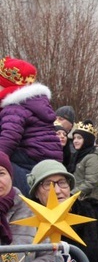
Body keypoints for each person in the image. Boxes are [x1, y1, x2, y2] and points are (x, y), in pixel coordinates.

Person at [0, 57, 63, 194]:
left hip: (29, 157)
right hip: (44, 157)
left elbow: (9, 136)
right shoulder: (33, 103)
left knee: (6, 171)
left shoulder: (15, 106)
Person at [68, 120, 98, 202]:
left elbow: (90, 183)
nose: (75, 141)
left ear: (87, 140)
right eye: (74, 138)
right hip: (76, 197)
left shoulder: (93, 158)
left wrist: (71, 194)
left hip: (88, 200)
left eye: (79, 138)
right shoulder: (77, 155)